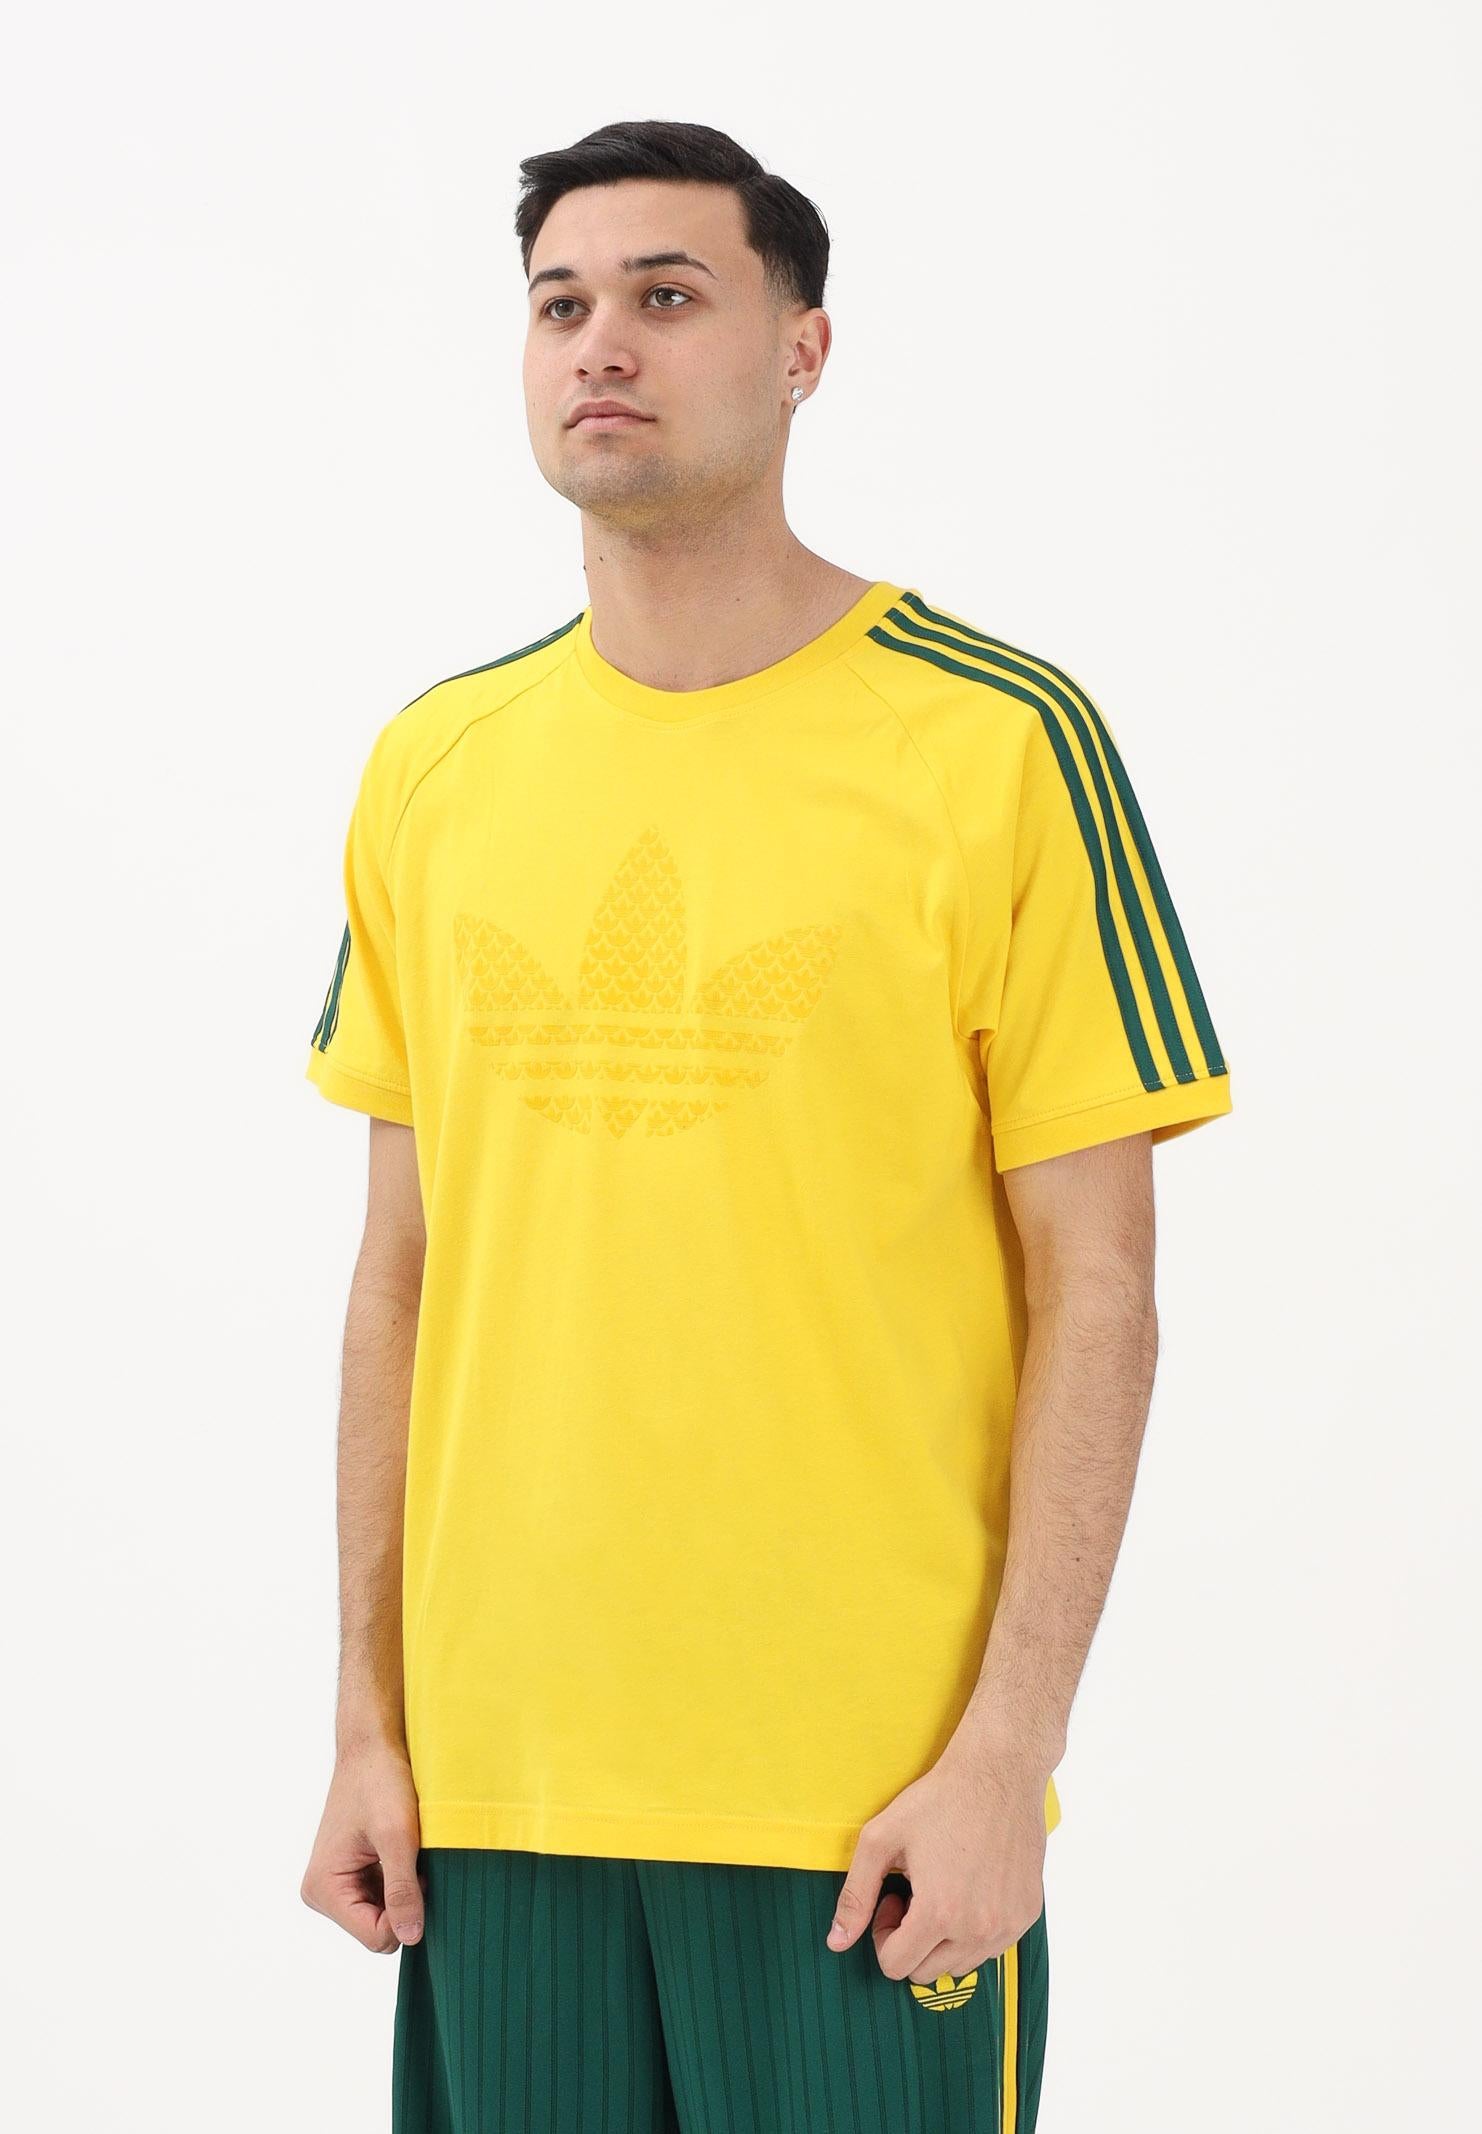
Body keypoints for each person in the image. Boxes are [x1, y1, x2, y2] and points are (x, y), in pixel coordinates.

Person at [298, 118, 1233, 2134]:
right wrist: (368, 1722)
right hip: (500, 1793)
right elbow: (399, 1276)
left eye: (667, 295)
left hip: (864, 1811)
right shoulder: (436, 766)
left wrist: (1004, 1753)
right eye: (559, 303)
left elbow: (1099, 1286)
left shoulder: (997, 744)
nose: (600, 342)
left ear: (803, 350)